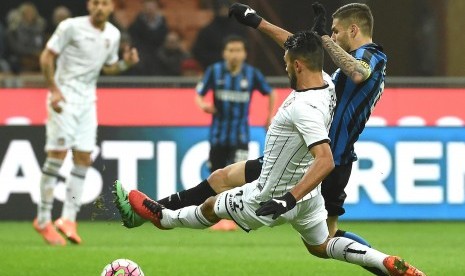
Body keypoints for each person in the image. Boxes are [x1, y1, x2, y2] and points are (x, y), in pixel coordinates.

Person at [115, 19, 423, 274]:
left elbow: (325, 160)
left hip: (272, 194)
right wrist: (256, 21)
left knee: (211, 206)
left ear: (298, 66)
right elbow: (299, 48)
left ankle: (163, 218)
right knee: (320, 245)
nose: (285, 67)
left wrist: (286, 200)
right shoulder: (328, 81)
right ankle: (381, 261)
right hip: (309, 197)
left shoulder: (304, 108)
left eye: (288, 64)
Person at [33, 0, 139, 246]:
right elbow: (47, 57)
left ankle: (68, 219)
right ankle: (42, 218)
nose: (100, 7)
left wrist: (126, 64)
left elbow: (108, 68)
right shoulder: (70, 27)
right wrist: (54, 90)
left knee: (83, 159)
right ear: (89, 5)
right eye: (95, 3)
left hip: (88, 101)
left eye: (104, 3)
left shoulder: (112, 34)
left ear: (111, 7)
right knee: (57, 155)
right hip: (63, 97)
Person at [195, 34, 276, 230]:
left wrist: (269, 117)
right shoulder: (214, 72)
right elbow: (198, 93)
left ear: (244, 53)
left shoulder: (251, 74)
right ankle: (216, 217)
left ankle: (232, 218)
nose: (234, 54)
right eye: (231, 50)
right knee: (216, 176)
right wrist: (203, 105)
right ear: (224, 53)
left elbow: (270, 92)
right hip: (218, 135)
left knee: (237, 178)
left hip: (240, 136)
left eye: (238, 50)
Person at [192, 0, 246, 69]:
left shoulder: (239, 30)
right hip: (214, 69)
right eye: (221, 8)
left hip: (236, 68)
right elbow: (198, 52)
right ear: (216, 10)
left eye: (226, 7)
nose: (224, 10)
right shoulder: (206, 31)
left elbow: (246, 48)